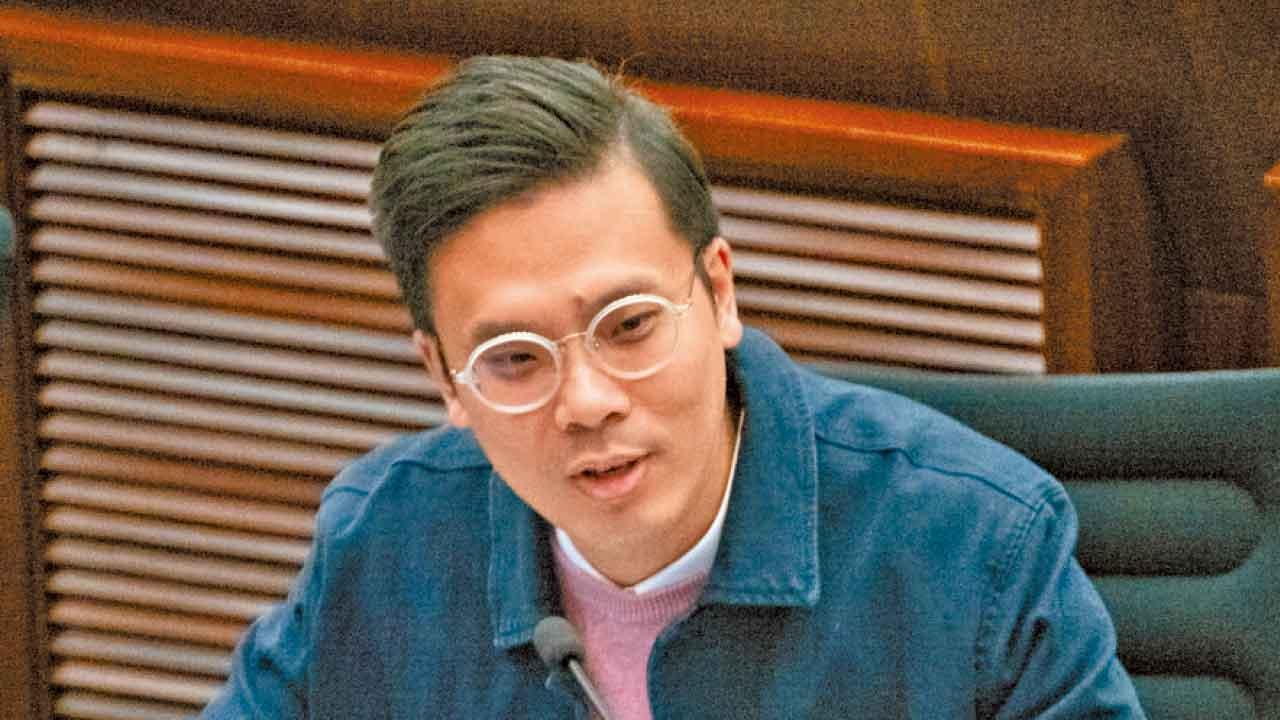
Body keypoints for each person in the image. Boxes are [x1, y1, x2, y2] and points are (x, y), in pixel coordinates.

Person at [201, 56, 1146, 719]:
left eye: (630, 326)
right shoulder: (382, 544)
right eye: (516, 360)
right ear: (444, 377)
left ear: (720, 293)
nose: (587, 402)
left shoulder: (977, 545)